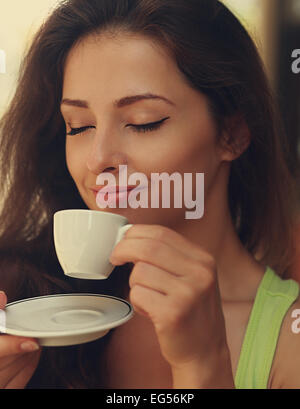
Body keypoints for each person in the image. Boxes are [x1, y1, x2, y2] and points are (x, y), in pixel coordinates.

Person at [0, 0, 299, 389]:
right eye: (78, 126)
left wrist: (202, 364)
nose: (98, 159)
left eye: (144, 122)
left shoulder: (288, 342)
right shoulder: (22, 301)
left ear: (232, 134)